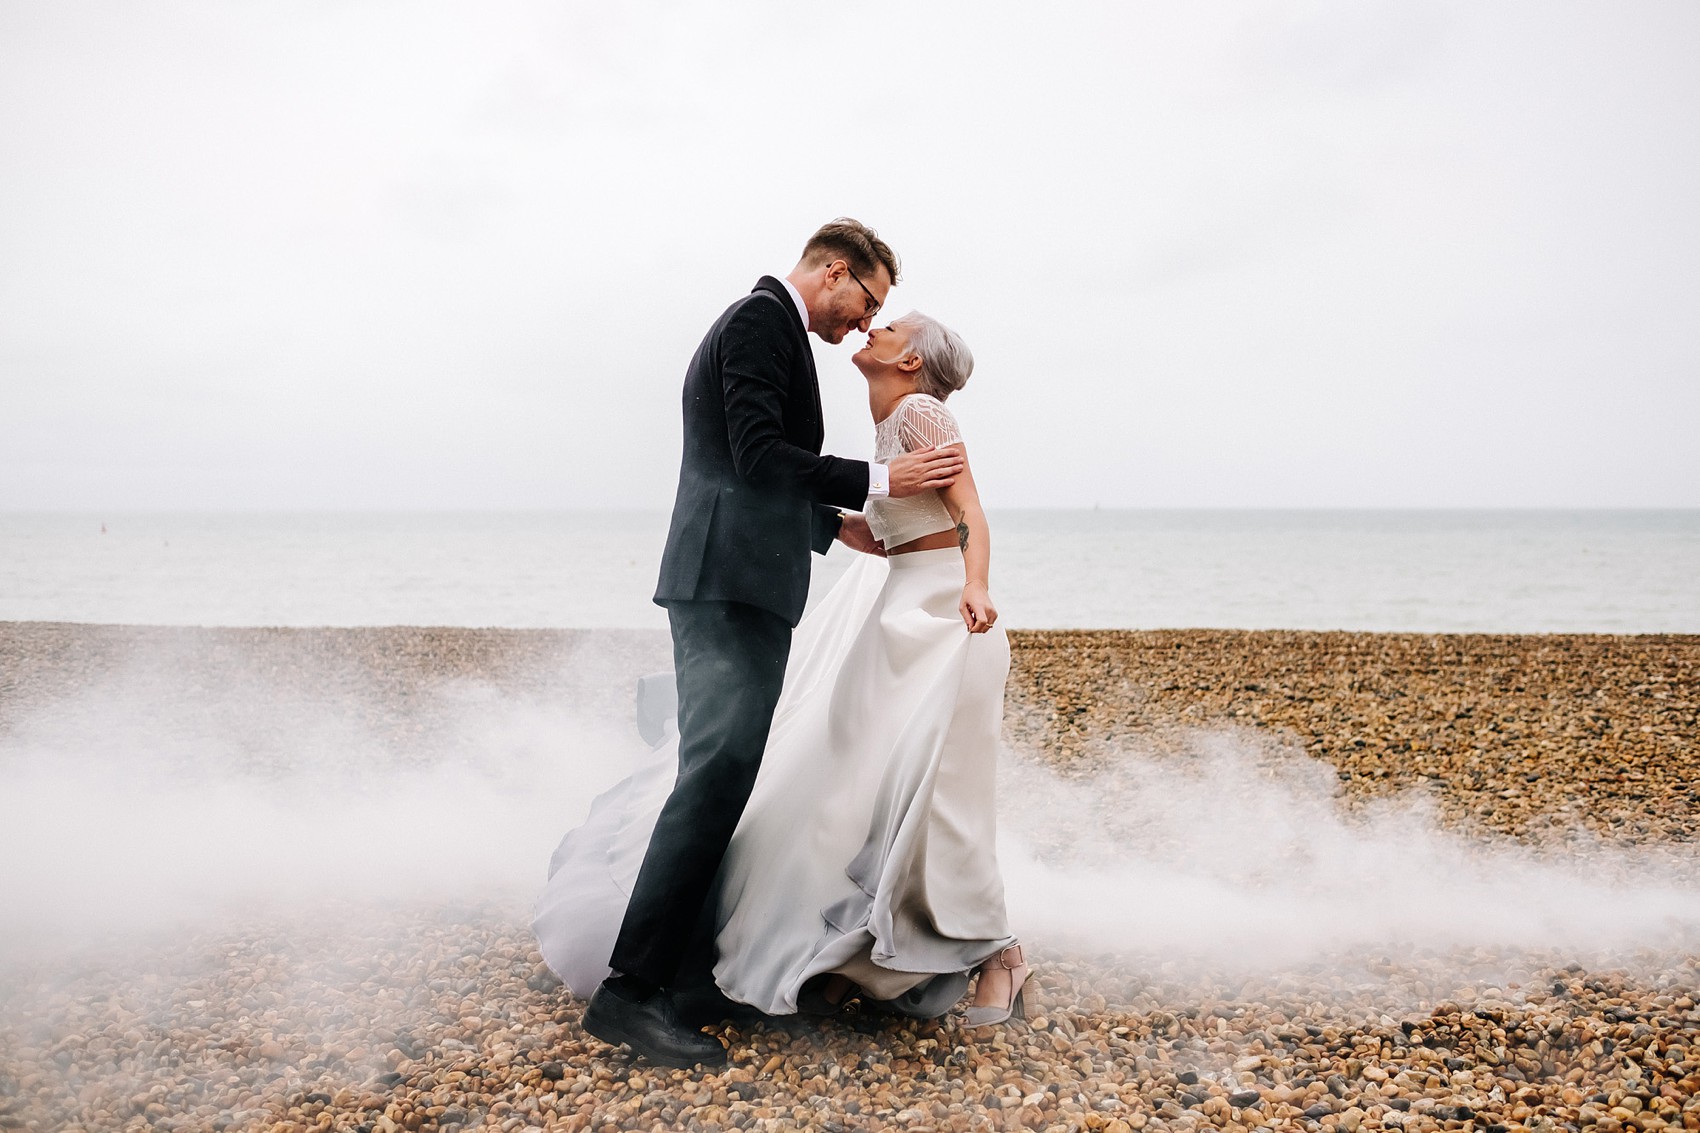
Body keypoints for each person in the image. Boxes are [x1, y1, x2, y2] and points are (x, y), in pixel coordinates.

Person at [534, 306, 1028, 1066]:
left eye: (890, 326)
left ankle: (998, 952)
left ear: (912, 363)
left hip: (936, 614)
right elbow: (811, 484)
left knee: (939, 791)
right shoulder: (888, 418)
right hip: (894, 599)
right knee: (867, 781)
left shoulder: (923, 411)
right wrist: (845, 523)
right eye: (874, 312)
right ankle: (857, 950)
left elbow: (971, 515)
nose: (874, 328)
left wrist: (977, 585)